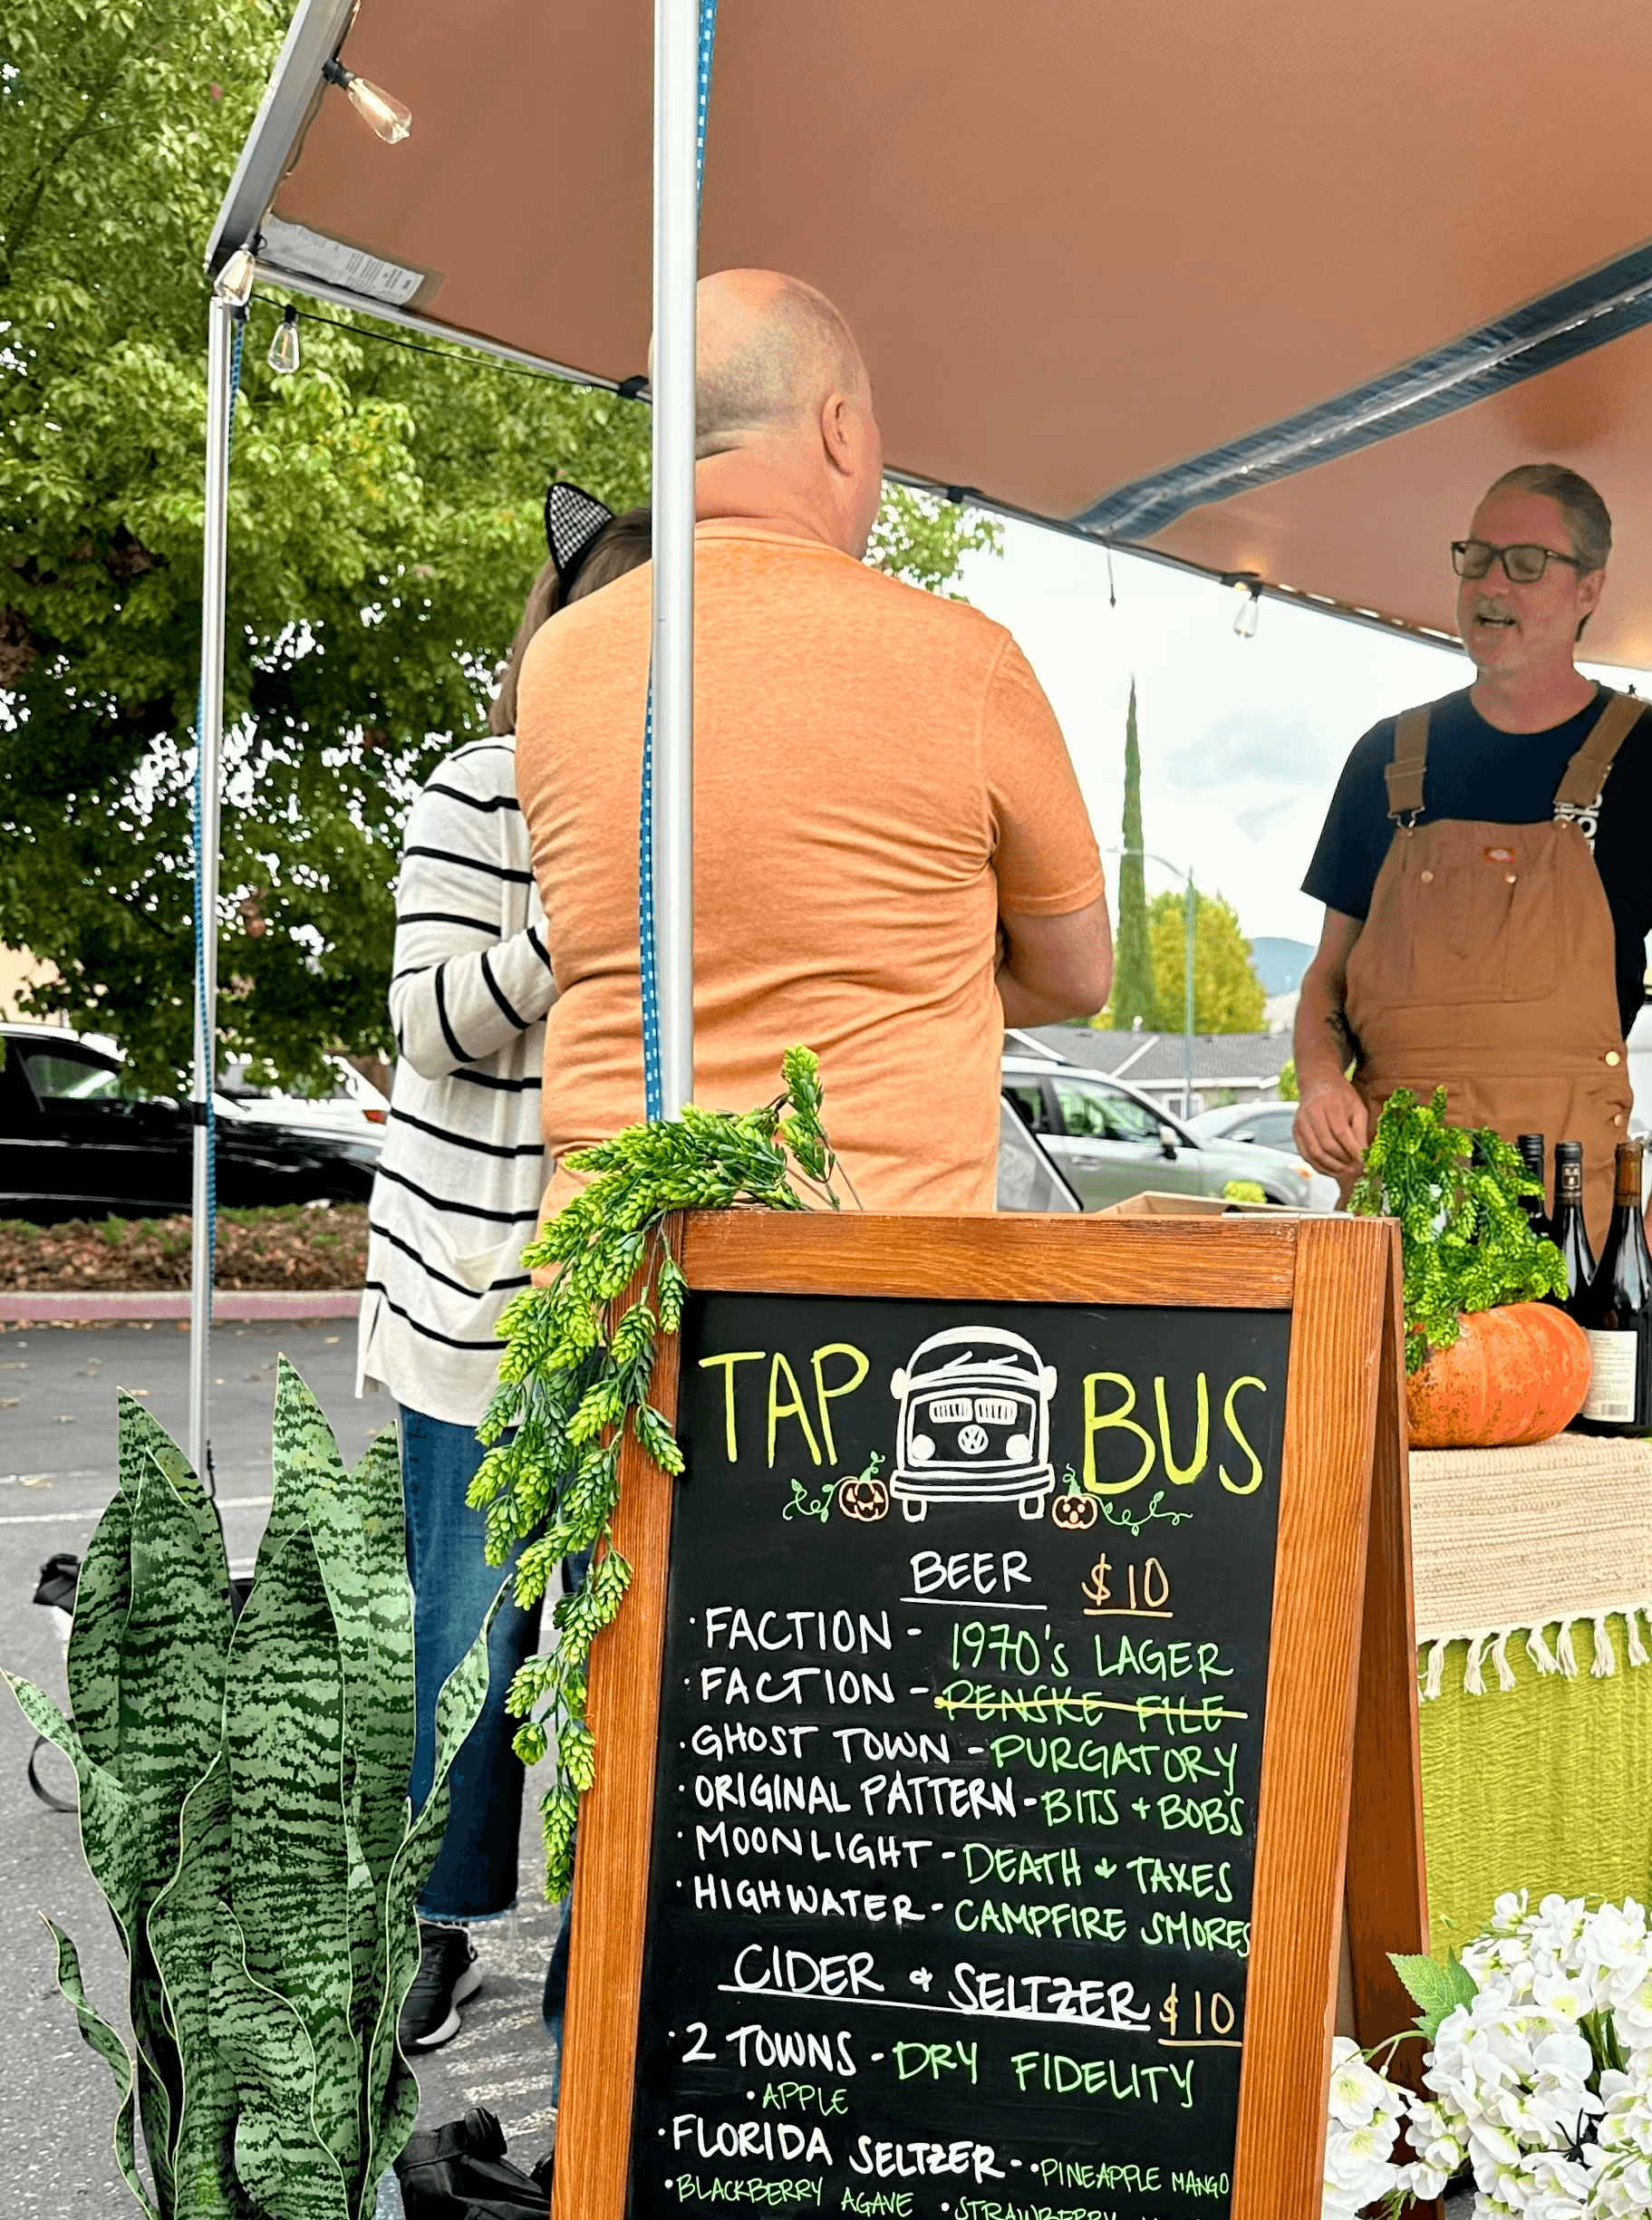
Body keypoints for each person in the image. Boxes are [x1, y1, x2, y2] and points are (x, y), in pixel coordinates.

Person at [517, 271, 1109, 1206]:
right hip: (871, 1274)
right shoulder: (968, 662)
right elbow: (1077, 974)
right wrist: (908, 979)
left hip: (616, 1262)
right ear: (840, 429)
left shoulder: (555, 662)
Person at [359, 487, 654, 2052]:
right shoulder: (480, 787)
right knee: (473, 1632)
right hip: (474, 1280)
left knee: (625, 1637)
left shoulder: (694, 801)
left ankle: (599, 1947)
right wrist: (573, 925)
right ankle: (444, 1919)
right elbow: (424, 1023)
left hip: (625, 1284)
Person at [1291, 464, 1652, 1307]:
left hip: (1569, 1233)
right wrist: (1320, 1080)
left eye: (1526, 563)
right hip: (1394, 1229)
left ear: (1589, 588)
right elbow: (1326, 979)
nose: (1492, 584)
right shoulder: (1384, 759)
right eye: (1477, 557)